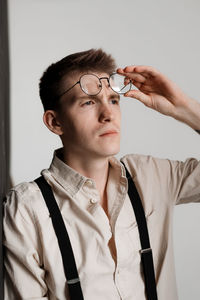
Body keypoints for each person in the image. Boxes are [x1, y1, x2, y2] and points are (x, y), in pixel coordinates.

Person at [3, 48, 200, 300]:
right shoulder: (27, 208)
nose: (108, 115)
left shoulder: (151, 176)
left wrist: (182, 107)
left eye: (114, 100)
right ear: (55, 122)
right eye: (88, 102)